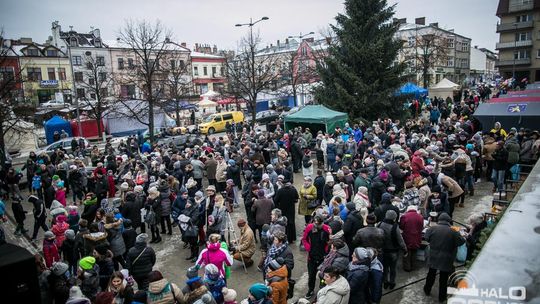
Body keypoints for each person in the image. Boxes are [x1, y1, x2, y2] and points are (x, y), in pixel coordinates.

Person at [423, 213, 465, 302]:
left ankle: (427, 290)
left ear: (439, 220)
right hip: (447, 258)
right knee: (443, 278)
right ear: (449, 221)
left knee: (431, 274)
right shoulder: (453, 232)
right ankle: (442, 298)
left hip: (433, 256)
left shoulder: (432, 229)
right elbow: (461, 242)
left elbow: (426, 238)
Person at [302, 215, 331, 299]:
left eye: (318, 224)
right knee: (311, 275)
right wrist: (308, 248)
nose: (316, 225)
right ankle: (311, 290)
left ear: (322, 222)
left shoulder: (327, 229)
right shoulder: (309, 227)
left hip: (323, 257)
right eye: (315, 223)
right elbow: (304, 239)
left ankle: (322, 289)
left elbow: (330, 241)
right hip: (312, 257)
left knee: (323, 276)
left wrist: (326, 251)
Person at [378, 210, 407, 290]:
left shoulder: (379, 224)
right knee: (393, 268)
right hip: (393, 251)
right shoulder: (394, 227)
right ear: (394, 218)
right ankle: (392, 282)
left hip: (383, 250)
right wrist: (405, 249)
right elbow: (400, 240)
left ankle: (385, 282)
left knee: (385, 267)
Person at [399, 205, 424, 272]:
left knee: (407, 252)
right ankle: (413, 266)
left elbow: (401, 226)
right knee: (414, 252)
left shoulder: (404, 216)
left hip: (407, 237)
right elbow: (421, 227)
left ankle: (407, 267)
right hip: (417, 237)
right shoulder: (420, 217)